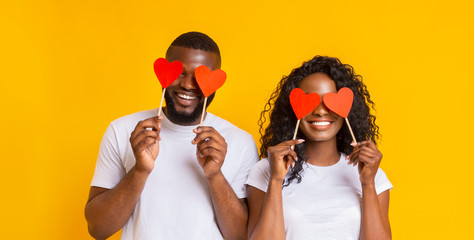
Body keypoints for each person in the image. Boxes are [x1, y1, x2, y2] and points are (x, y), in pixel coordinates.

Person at [85, 32, 259, 240]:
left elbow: (241, 237)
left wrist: (215, 176)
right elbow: (98, 228)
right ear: (163, 74)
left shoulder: (240, 142)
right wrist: (140, 170)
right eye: (179, 72)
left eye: (200, 76)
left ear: (215, 82)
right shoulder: (122, 130)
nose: (187, 85)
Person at [246, 56, 393, 240]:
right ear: (293, 108)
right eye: (310, 100)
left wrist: (368, 184)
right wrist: (276, 180)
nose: (321, 111)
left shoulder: (374, 175)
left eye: (330, 101)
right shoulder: (265, 172)